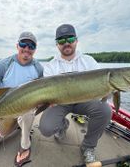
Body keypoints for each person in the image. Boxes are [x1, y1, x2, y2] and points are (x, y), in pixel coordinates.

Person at [39, 24, 112, 164]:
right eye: (61, 40)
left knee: (105, 110)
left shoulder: (89, 61)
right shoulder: (50, 66)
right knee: (46, 128)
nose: (66, 43)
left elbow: (104, 86)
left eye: (70, 39)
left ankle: (88, 147)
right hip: (61, 103)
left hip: (84, 101)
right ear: (57, 44)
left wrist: (120, 87)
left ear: (76, 41)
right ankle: (63, 125)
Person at [0, 31, 43, 167]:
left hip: (26, 111)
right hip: (4, 113)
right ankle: (16, 127)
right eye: (23, 44)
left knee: (27, 112)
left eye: (31, 46)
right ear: (17, 45)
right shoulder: (3, 65)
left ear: (35, 50)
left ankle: (25, 145)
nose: (27, 48)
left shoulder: (38, 68)